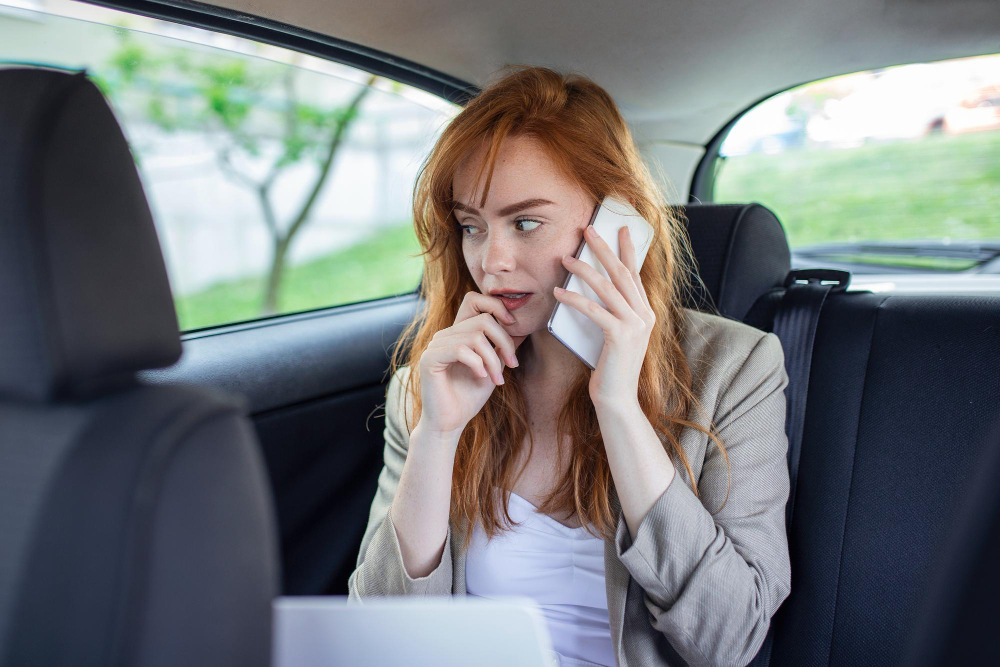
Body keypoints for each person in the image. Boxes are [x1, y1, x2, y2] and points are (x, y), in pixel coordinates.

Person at [348, 65, 791, 667]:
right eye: (471, 227)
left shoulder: (737, 369)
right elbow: (380, 641)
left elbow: (729, 640)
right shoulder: (432, 384)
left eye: (525, 222)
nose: (491, 261)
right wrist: (438, 436)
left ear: (620, 222)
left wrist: (619, 410)